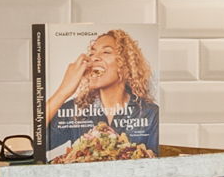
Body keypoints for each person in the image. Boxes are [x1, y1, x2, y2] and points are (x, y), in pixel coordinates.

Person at [43, 29, 159, 161]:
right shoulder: (76, 111)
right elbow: (34, 145)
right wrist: (63, 91)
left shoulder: (150, 114)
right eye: (92, 53)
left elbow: (155, 165)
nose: (94, 58)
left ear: (126, 66)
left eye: (106, 52)